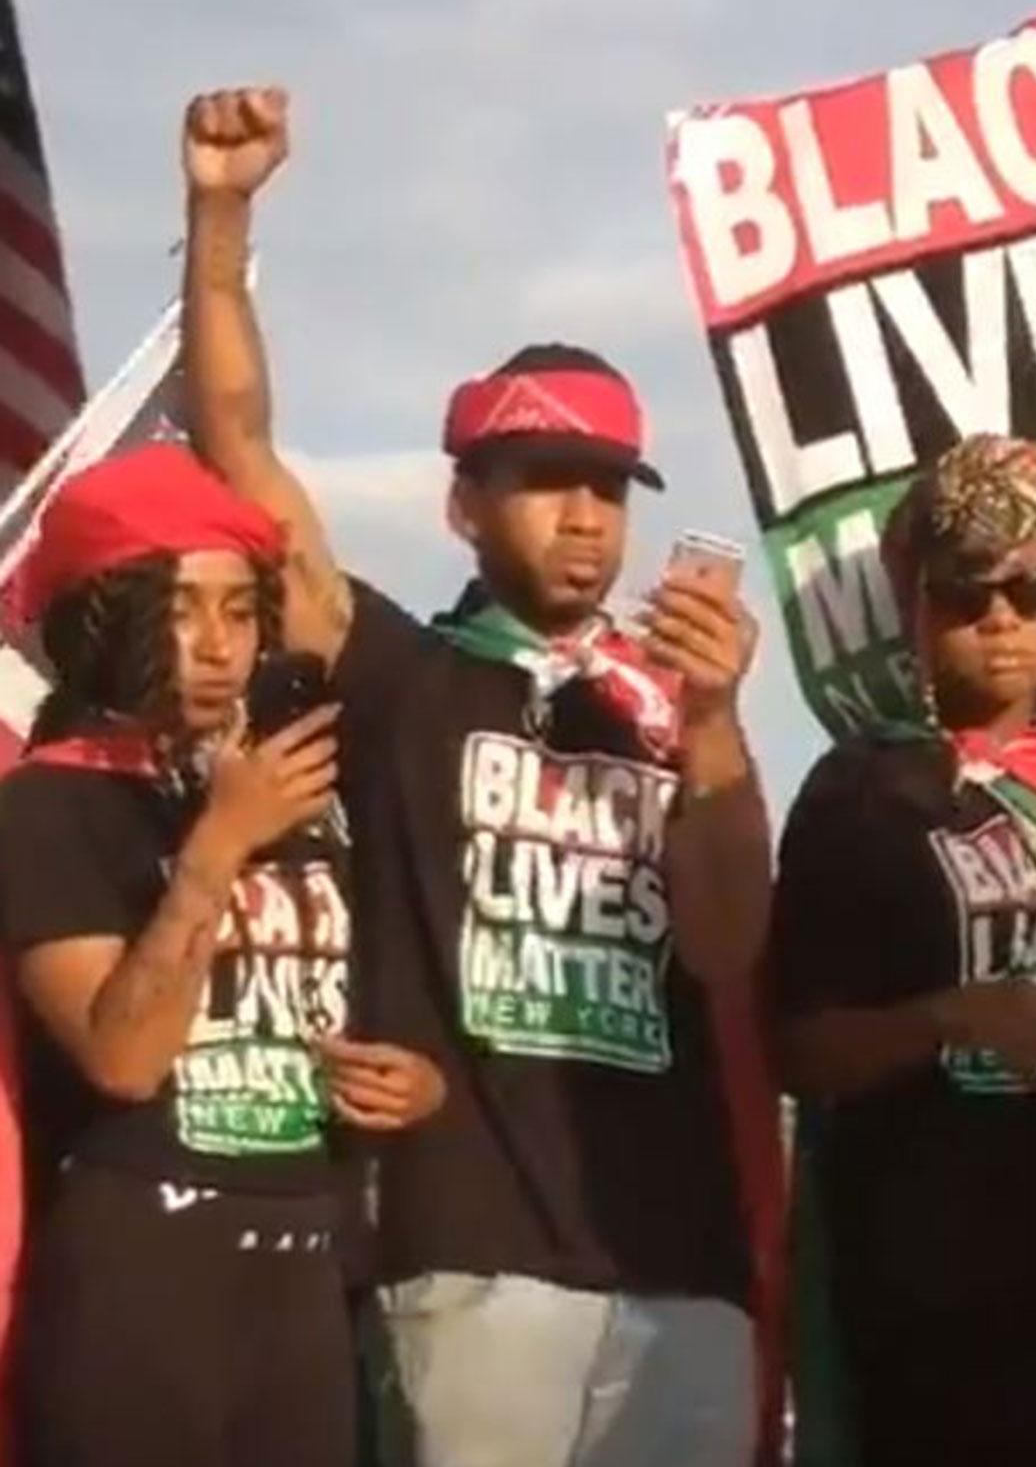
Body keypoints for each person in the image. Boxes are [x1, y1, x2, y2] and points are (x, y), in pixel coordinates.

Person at [179, 86, 773, 1466]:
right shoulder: (404, 673)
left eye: (610, 485)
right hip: (469, 1247)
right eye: (545, 477)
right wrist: (221, 218)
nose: (585, 515)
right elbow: (241, 457)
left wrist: (721, 723)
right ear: (463, 502)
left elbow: (731, 941)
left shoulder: (666, 706)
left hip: (675, 1255)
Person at [0, 445, 446, 1467]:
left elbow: (359, 1014)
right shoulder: (50, 801)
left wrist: (412, 1084)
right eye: (181, 608)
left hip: (304, 1272)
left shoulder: (294, 797)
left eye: (240, 611)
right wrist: (216, 846)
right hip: (140, 1273)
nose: (215, 645)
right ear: (106, 617)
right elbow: (123, 1058)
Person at [769, 435, 1036, 1467]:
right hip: (939, 1283)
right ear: (914, 604)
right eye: (964, 593)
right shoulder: (860, 789)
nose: (999, 616)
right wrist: (950, 1018)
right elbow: (799, 1050)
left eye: (1031, 588)